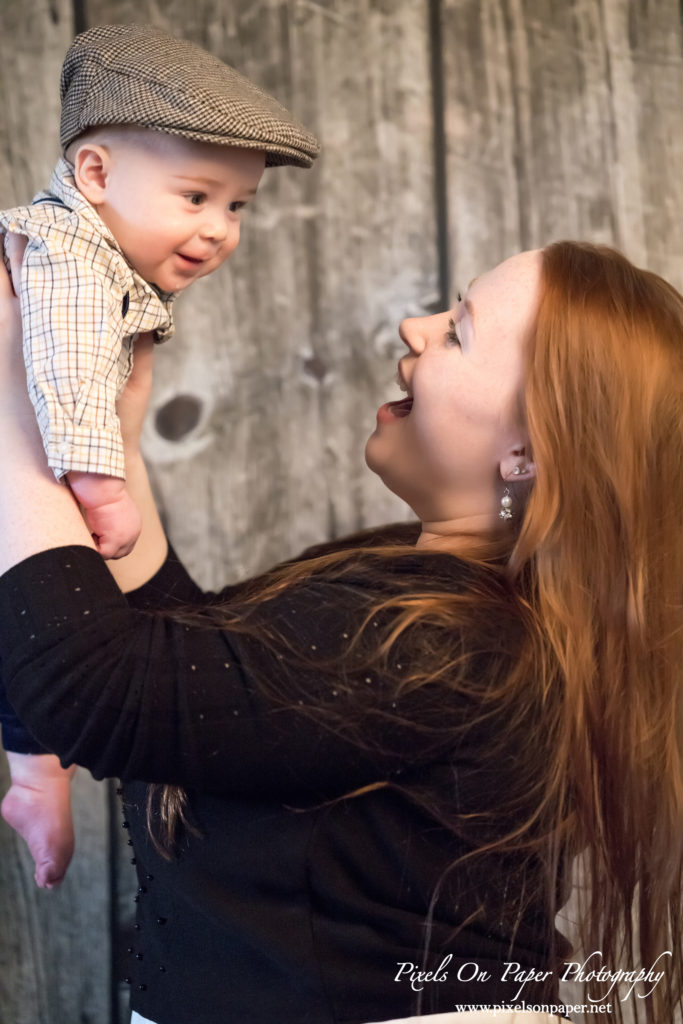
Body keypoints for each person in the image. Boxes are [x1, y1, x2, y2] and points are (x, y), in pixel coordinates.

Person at [0, 237, 680, 1024]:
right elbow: (201, 677)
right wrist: (105, 440)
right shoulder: (419, 593)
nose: (413, 327)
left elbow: (95, 692)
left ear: (526, 450)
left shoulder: (447, 646)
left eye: (457, 330)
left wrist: (17, 399)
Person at [0, 23, 319, 889]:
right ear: (95, 175)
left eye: (237, 206)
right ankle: (34, 771)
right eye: (196, 196)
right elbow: (62, 372)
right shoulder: (64, 254)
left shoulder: (96, 258)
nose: (219, 230)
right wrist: (102, 487)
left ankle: (35, 771)